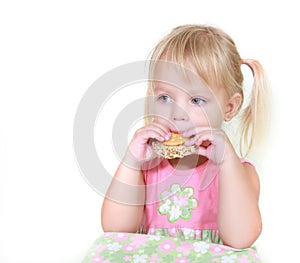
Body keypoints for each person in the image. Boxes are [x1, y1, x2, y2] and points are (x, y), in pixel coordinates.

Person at [83, 24, 268, 263]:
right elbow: (115, 231)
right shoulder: (148, 168)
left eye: (196, 100)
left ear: (229, 108)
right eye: (165, 97)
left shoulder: (240, 172)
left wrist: (227, 162)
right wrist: (131, 162)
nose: (176, 113)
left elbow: (241, 239)